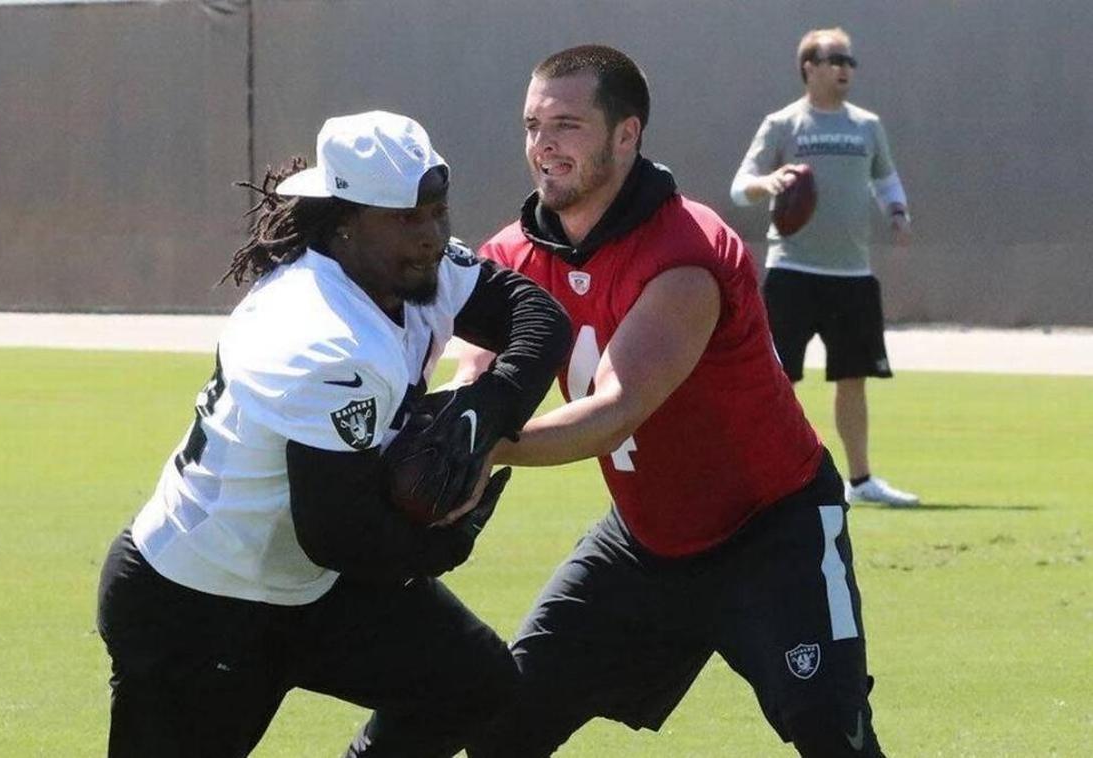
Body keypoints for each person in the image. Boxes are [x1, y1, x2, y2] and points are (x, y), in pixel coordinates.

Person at [360, 45, 887, 756]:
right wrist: (450, 424)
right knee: (502, 728)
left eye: (567, 125)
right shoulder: (513, 256)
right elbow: (476, 371)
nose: (543, 145)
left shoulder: (687, 249)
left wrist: (484, 441)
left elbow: (617, 408)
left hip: (773, 533)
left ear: (626, 134)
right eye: (532, 125)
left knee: (835, 735)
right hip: (645, 543)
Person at [96, 110, 570, 757]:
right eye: (407, 217)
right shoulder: (319, 333)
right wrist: (443, 544)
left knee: (472, 684)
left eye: (437, 211)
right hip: (202, 602)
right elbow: (337, 534)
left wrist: (485, 409)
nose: (432, 235)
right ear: (344, 220)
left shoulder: (407, 273)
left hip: (305, 582)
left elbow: (536, 316)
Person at [731, 26, 919, 507]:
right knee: (777, 379)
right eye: (835, 59)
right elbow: (740, 188)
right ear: (809, 67)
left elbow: (887, 181)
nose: (845, 69)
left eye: (850, 62)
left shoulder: (866, 125)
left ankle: (861, 482)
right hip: (793, 271)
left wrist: (897, 211)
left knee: (853, 378)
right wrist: (770, 182)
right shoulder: (783, 124)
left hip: (852, 275)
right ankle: (768, 476)